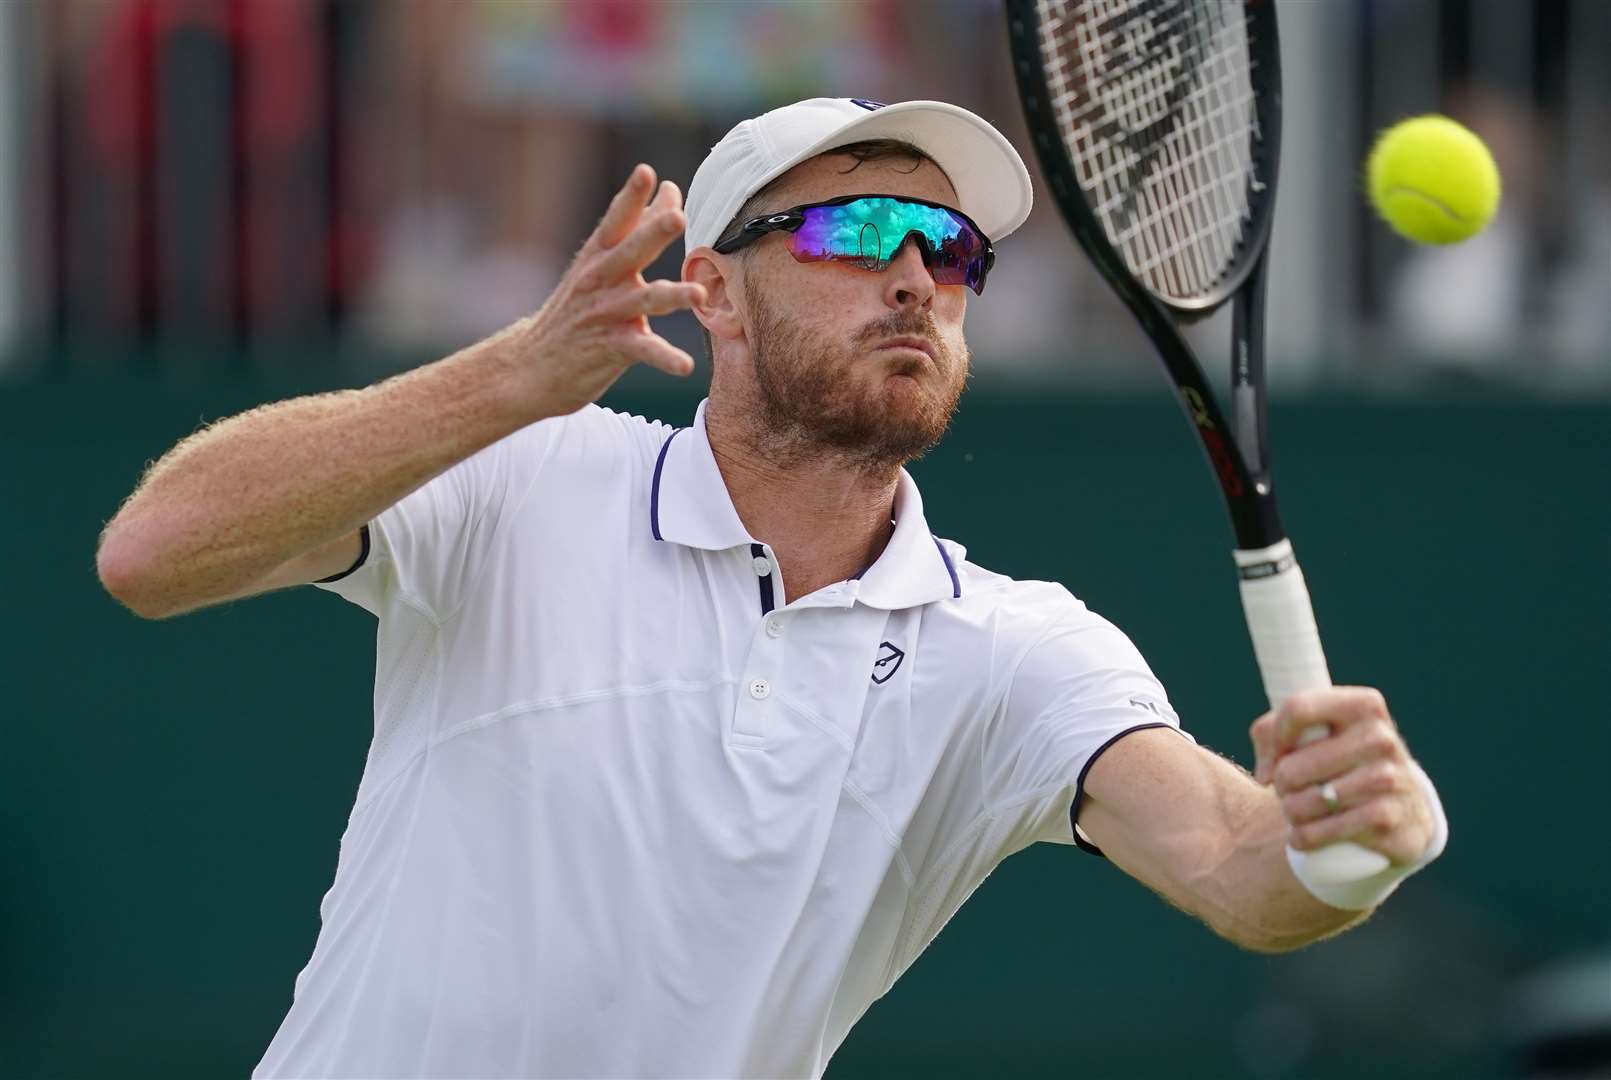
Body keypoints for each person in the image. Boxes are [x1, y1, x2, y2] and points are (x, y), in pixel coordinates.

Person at [96, 98, 1448, 1079]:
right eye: (861, 229)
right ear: (714, 294)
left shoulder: (1016, 652)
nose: (919, 275)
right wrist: (513, 375)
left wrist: (1360, 844)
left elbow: (1238, 865)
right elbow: (153, 553)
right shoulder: (524, 477)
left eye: (955, 249)